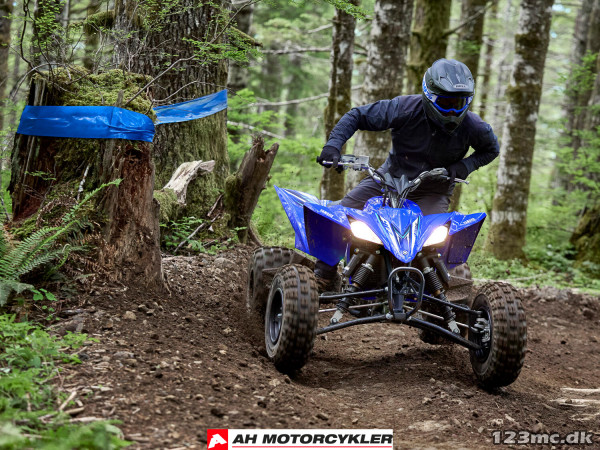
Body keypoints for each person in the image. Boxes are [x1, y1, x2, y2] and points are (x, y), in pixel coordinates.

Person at [314, 58, 500, 293]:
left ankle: (433, 293)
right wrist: (333, 146)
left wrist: (465, 166)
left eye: (459, 103)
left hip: (433, 189)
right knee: (341, 215)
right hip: (387, 181)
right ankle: (324, 275)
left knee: (435, 240)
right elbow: (357, 116)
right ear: (429, 95)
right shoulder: (404, 108)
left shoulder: (474, 126)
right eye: (446, 102)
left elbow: (491, 150)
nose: (453, 111)